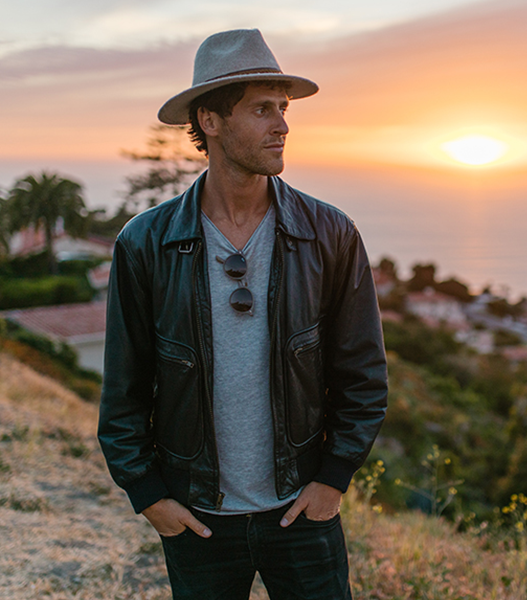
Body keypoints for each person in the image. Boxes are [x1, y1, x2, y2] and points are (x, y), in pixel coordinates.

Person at [98, 29, 388, 599]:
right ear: (210, 120)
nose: (282, 124)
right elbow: (124, 390)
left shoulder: (328, 233)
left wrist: (332, 481)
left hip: (302, 512)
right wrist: (150, 497)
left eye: (282, 108)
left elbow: (364, 376)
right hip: (198, 517)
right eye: (262, 109)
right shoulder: (146, 243)